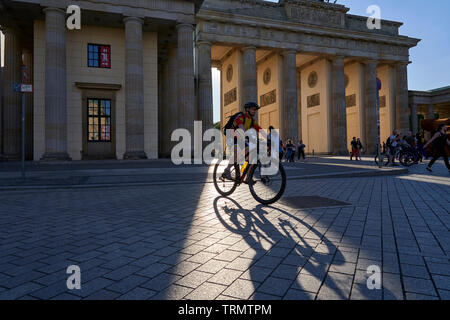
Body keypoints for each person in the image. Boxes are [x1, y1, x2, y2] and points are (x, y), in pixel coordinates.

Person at [223, 102, 262, 179]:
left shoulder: (252, 120)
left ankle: (246, 175)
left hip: (241, 137)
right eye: (253, 109)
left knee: (251, 157)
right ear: (247, 109)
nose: (254, 111)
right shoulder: (240, 117)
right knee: (237, 151)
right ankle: (227, 170)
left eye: (255, 110)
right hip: (231, 135)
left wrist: (270, 139)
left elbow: (260, 130)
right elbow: (241, 128)